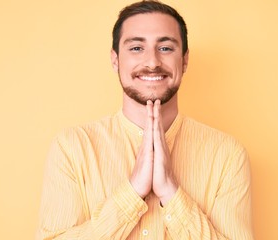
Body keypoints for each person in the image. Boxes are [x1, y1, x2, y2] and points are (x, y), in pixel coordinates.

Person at [36, 1, 253, 239]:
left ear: (185, 60)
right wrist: (132, 193)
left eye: (166, 48)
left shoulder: (228, 155)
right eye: (137, 48)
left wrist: (171, 191)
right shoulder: (71, 148)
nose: (152, 62)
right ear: (115, 60)